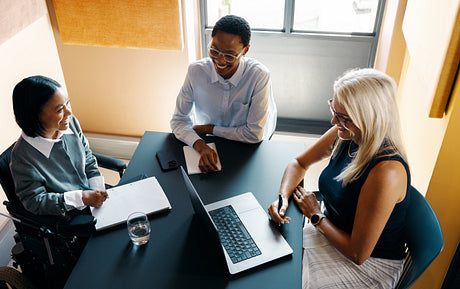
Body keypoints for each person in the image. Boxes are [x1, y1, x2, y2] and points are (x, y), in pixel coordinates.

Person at [268, 68, 410, 288]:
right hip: (332, 231)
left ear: (368, 118)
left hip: (368, 265)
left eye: (343, 117)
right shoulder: (346, 133)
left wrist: (315, 216)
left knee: (284, 278)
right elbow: (299, 163)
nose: (334, 121)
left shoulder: (386, 172)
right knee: (273, 259)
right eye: (334, 108)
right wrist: (283, 198)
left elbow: (358, 253)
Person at [170, 15, 277, 173]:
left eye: (229, 55)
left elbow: (253, 134)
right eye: (214, 50)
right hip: (208, 142)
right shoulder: (196, 71)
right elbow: (178, 121)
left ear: (245, 50)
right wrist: (200, 146)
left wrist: (209, 128)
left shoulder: (258, 75)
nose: (219, 60)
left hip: (246, 147)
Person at [10, 75, 108, 215]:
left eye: (67, 103)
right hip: (67, 215)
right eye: (60, 109)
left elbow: (87, 156)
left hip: (94, 199)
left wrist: (97, 190)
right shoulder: (22, 157)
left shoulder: (70, 123)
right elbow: (34, 201)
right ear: (35, 116)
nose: (69, 112)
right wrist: (80, 198)